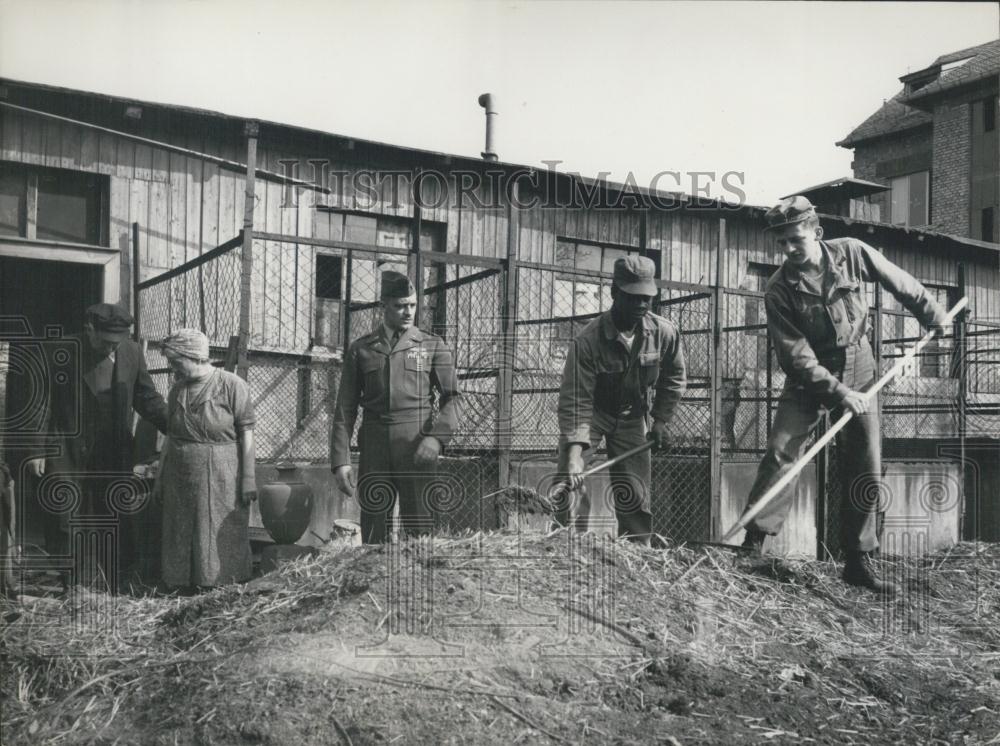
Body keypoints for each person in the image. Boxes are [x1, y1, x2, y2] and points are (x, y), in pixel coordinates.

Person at [739, 196, 947, 594]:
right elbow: (795, 357)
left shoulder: (850, 252)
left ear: (816, 233)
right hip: (810, 379)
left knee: (866, 461)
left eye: (795, 239)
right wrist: (839, 393)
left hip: (861, 364)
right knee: (782, 451)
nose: (788, 250)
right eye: (781, 242)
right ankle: (754, 544)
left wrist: (932, 314)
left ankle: (857, 560)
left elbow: (897, 279)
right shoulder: (778, 289)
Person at [25, 303, 168, 590]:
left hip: (111, 449)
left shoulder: (131, 352)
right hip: (65, 446)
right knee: (65, 515)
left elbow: (146, 397)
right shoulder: (59, 351)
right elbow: (41, 402)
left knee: (112, 513)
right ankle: (72, 582)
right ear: (89, 330)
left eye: (117, 342)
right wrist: (36, 449)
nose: (111, 349)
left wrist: (178, 426)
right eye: (105, 342)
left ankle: (116, 581)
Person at [556, 256, 687, 546]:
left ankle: (637, 553)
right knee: (569, 481)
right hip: (592, 414)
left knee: (635, 492)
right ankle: (569, 546)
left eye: (646, 298)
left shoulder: (664, 333)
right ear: (615, 293)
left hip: (632, 416)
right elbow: (576, 399)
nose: (641, 305)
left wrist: (661, 421)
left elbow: (674, 377)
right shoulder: (587, 341)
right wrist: (575, 454)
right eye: (633, 297)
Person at [330, 270, 462, 544]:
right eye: (400, 306)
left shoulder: (432, 345)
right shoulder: (362, 349)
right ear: (384, 306)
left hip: (417, 447)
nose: (408, 312)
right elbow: (345, 407)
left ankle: (420, 583)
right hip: (375, 446)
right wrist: (340, 461)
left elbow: (453, 398)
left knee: (420, 527)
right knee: (374, 527)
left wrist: (436, 439)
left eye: (412, 305)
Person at [158, 329, 257, 589]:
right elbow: (170, 435)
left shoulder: (232, 385)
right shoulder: (177, 390)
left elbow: (247, 432)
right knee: (180, 527)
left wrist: (248, 479)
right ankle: (182, 584)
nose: (173, 369)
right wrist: (160, 475)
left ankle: (220, 585)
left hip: (222, 471)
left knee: (216, 529)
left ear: (195, 357)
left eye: (177, 362)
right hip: (180, 471)